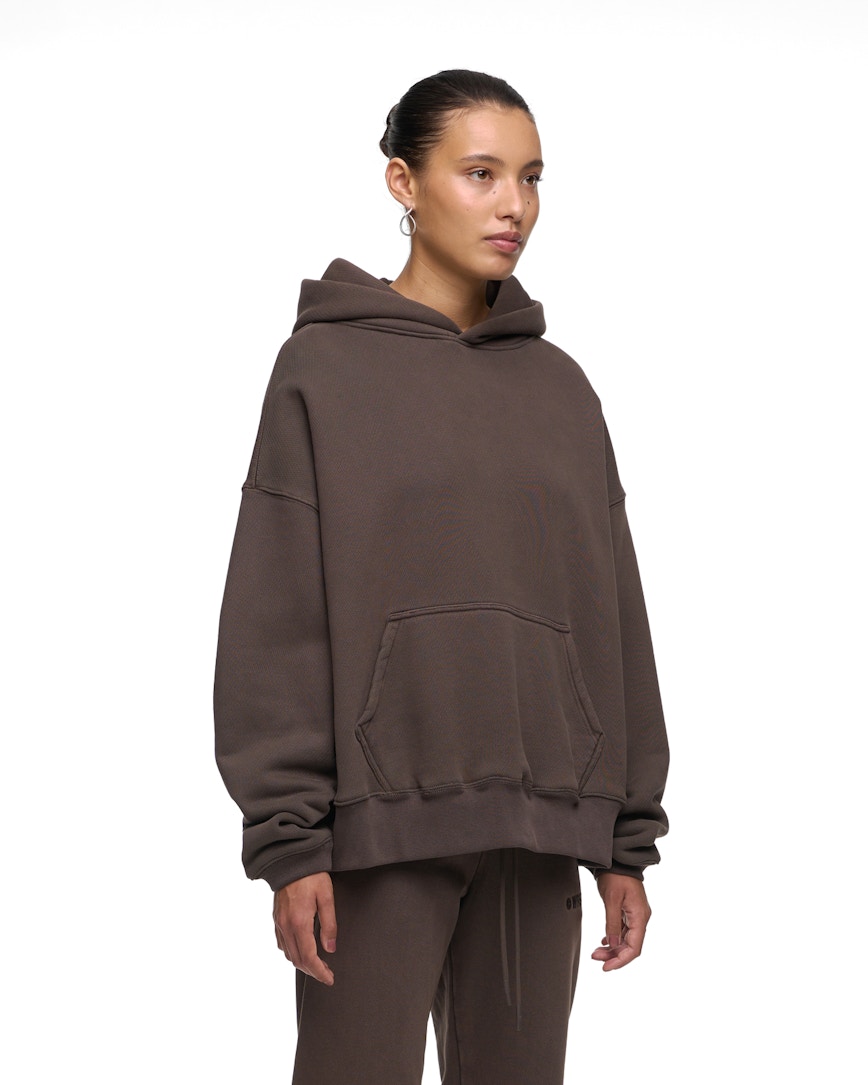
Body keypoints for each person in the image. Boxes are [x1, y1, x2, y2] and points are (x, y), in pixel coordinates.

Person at [213, 69, 669, 1085]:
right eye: (480, 173)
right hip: (379, 832)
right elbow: (276, 612)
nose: (514, 206)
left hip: (539, 828)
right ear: (403, 182)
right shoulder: (321, 371)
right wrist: (291, 841)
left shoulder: (562, 388)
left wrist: (625, 835)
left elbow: (611, 612)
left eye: (531, 177)